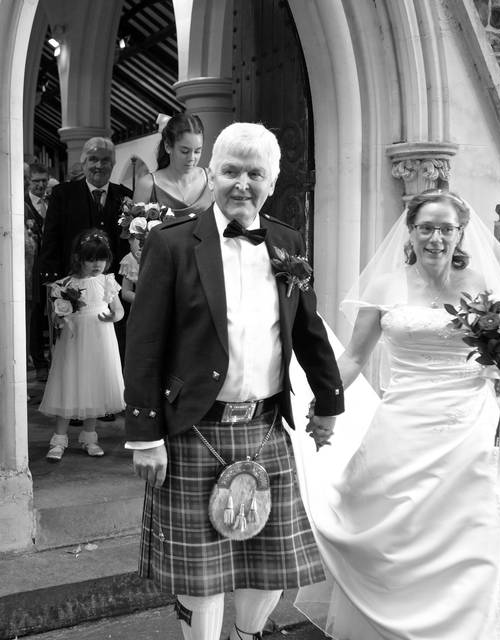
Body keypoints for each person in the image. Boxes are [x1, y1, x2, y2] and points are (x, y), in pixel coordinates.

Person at [125, 122, 345, 640]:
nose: (242, 184)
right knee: (201, 579)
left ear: (271, 181)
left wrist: (329, 402)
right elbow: (145, 343)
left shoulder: (288, 241)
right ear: (211, 174)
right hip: (194, 428)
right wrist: (146, 435)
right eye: (230, 171)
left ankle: (249, 636)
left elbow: (308, 330)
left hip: (266, 426)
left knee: (268, 564)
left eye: (255, 173)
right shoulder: (172, 243)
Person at [294, 189, 500, 639]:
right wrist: (324, 401)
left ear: (461, 233)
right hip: (403, 425)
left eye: (446, 229)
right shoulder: (385, 287)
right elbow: (353, 358)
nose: (436, 238)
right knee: (393, 536)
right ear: (411, 231)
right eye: (426, 228)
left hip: (471, 428)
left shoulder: (485, 286)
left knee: (472, 535)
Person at [38, 229, 126, 461]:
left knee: (94, 384)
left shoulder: (107, 281)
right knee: (69, 381)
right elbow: (55, 315)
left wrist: (114, 316)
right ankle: (59, 439)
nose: (97, 264)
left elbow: (119, 310)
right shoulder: (66, 284)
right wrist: (59, 316)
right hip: (74, 341)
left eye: (102, 258)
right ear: (78, 258)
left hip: (100, 338)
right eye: (91, 259)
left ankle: (90, 436)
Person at [40, 137, 132, 285]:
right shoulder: (63, 195)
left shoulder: (126, 196)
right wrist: (52, 283)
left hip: (116, 285)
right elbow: (51, 242)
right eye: (93, 159)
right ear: (84, 163)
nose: (99, 165)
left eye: (105, 160)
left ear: (113, 164)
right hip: (72, 285)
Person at [132, 112, 213, 217]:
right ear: (168, 147)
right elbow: (133, 232)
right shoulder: (147, 185)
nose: (192, 158)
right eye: (184, 151)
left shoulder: (211, 179)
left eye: (197, 151)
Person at [25, 163, 51, 381]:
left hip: (49, 266)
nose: (41, 185)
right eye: (36, 181)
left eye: (44, 180)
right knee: (34, 313)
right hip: (31, 267)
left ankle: (54, 357)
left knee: (53, 312)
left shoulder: (51, 203)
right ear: (28, 181)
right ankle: (38, 361)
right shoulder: (23, 204)